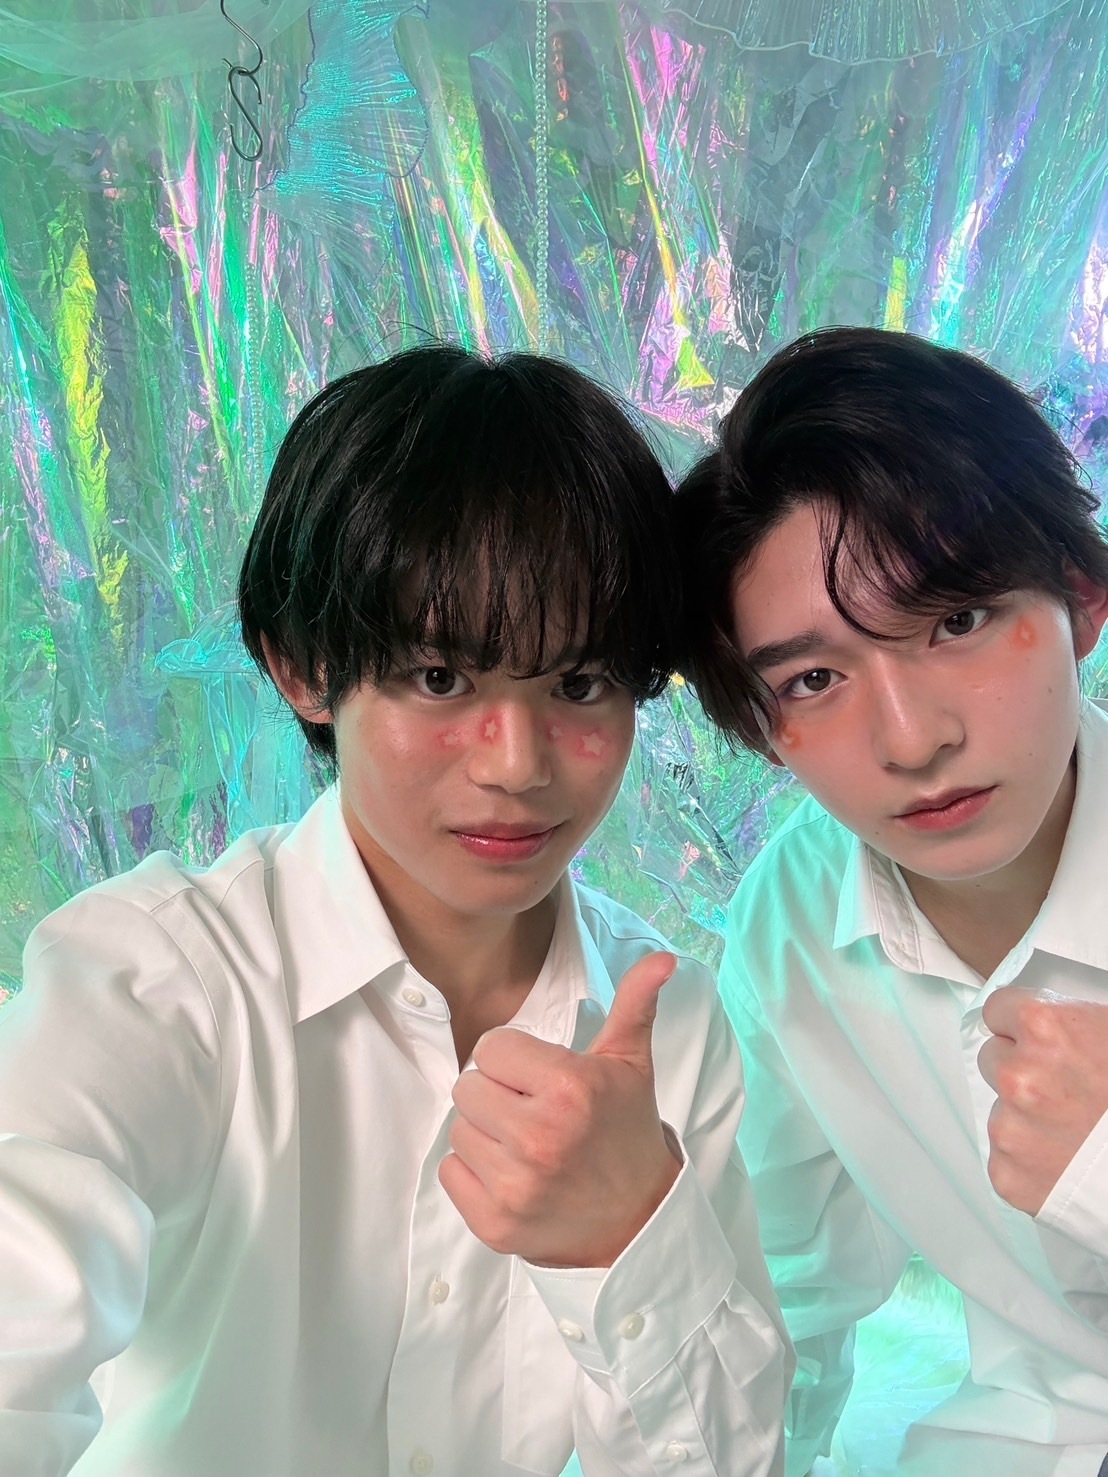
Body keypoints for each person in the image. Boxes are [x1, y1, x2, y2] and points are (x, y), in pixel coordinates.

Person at [0, 344, 790, 1477]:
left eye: (578, 684)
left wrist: (628, 1243)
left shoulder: (665, 1026)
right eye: (441, 678)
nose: (517, 764)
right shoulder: (156, 985)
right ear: (300, 668)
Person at [675, 325, 1108, 1477]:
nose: (913, 741)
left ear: (1082, 598)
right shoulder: (791, 922)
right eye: (815, 678)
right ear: (761, 728)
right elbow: (786, 1297)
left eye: (955, 622)